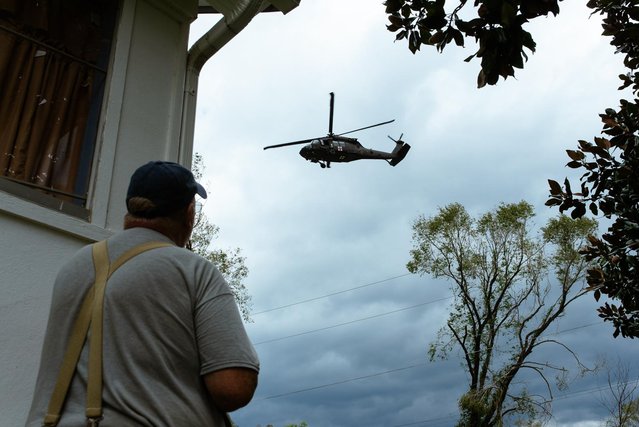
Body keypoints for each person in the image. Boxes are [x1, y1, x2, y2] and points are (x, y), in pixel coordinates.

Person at [26, 161, 259, 426]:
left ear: (131, 207)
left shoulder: (73, 267)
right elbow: (233, 388)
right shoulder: (193, 269)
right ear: (189, 213)